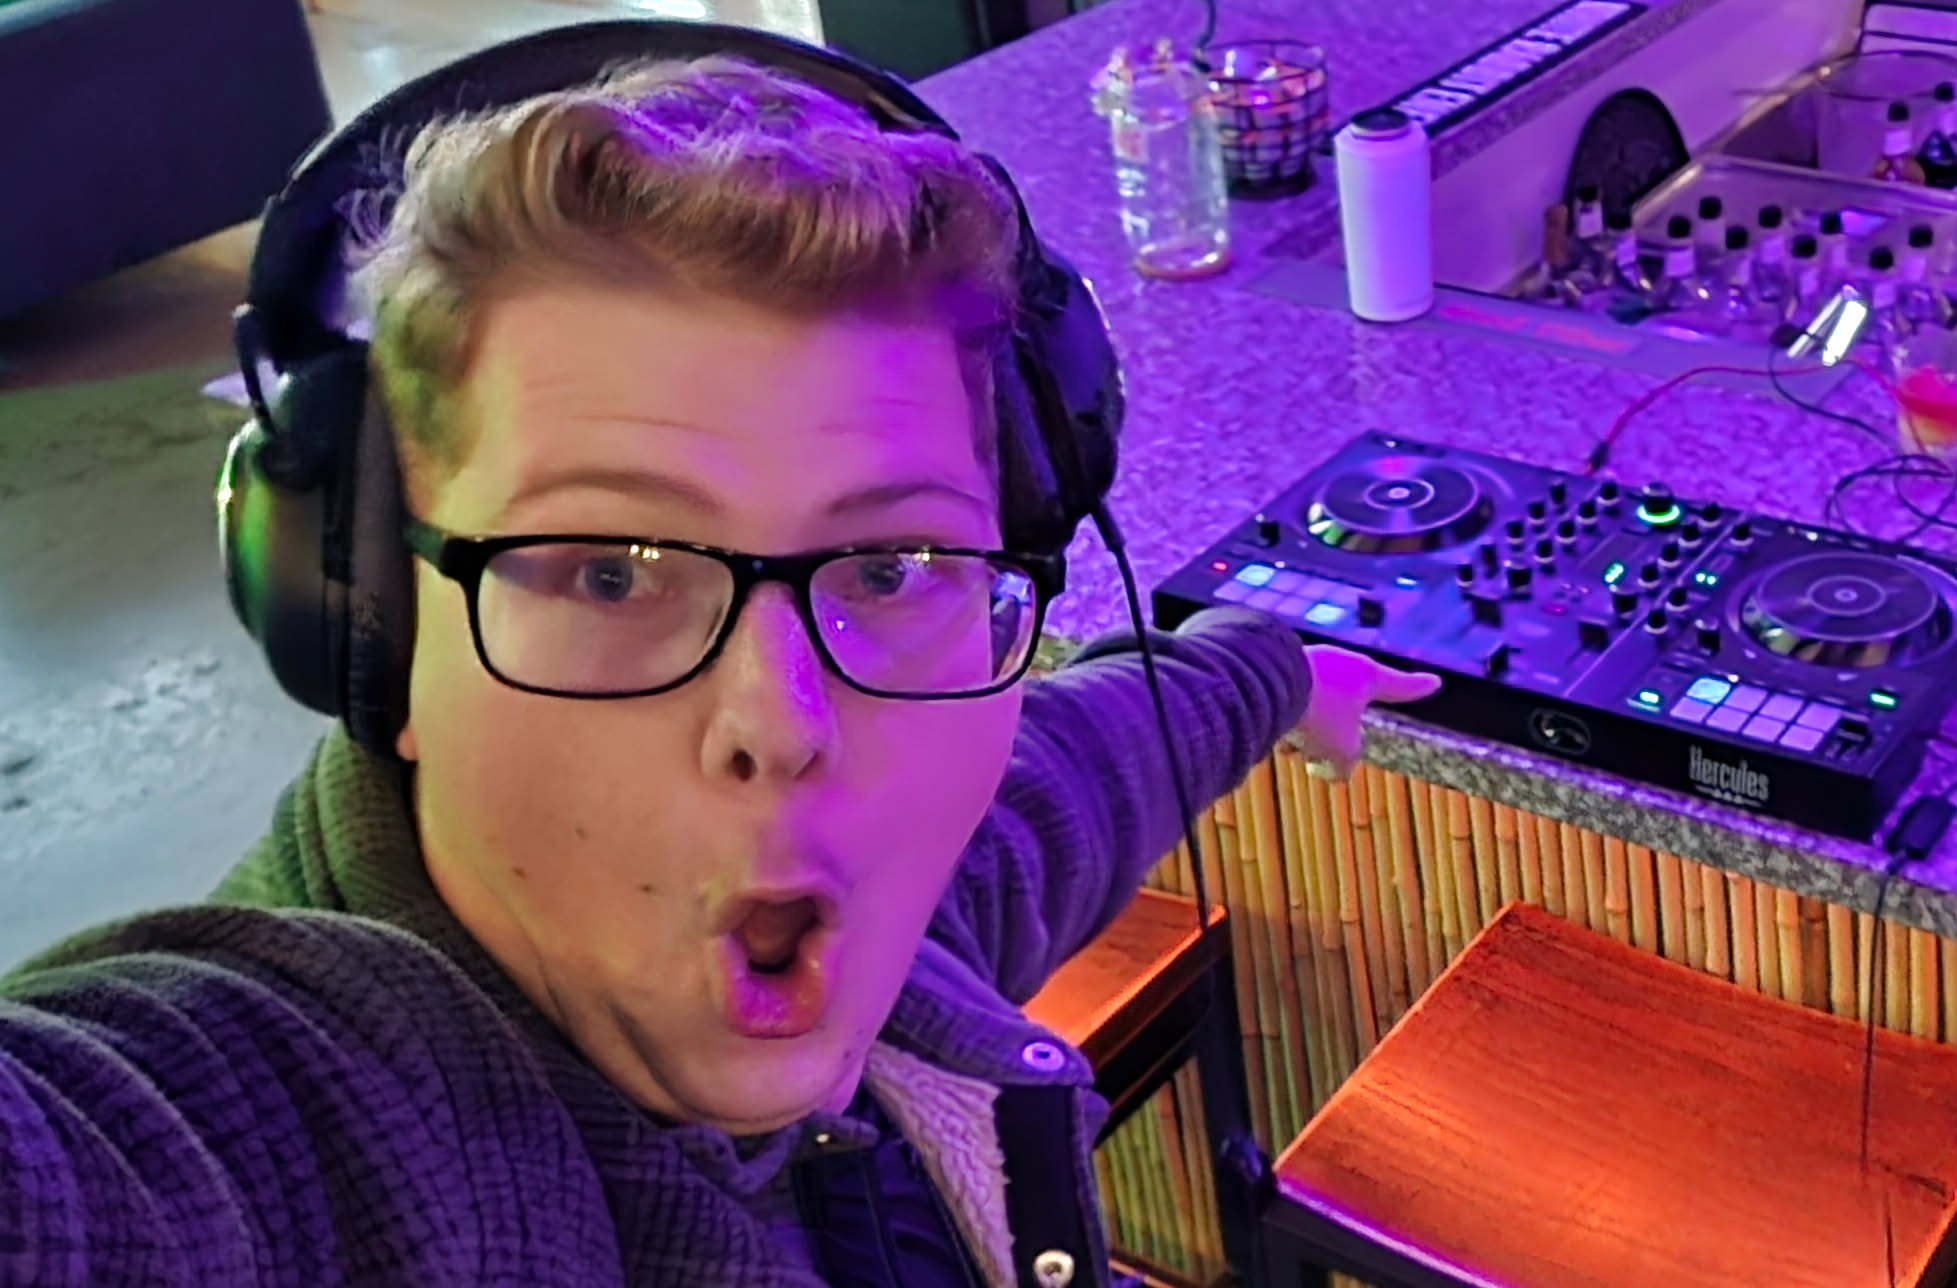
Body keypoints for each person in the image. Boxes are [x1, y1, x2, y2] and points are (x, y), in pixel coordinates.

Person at [0, 30, 1435, 1288]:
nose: (784, 723)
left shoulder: (884, 927)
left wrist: (1280, 672)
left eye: (889, 568)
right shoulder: (301, 1119)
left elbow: (1074, 776)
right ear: (370, 619)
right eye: (610, 572)